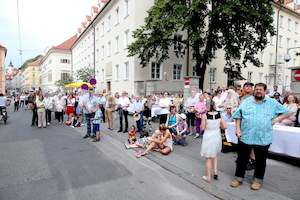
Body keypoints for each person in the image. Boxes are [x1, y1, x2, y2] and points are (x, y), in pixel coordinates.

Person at [230, 83, 290, 190]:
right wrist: (238, 129)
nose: (258, 91)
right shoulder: (247, 102)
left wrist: (275, 120)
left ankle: (257, 180)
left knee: (261, 160)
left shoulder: (272, 103)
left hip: (263, 137)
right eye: (257, 89)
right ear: (254, 90)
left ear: (265, 91)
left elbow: (286, 112)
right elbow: (238, 115)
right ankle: (238, 178)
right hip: (246, 136)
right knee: (241, 159)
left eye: (261, 90)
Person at [200, 101, 227, 183]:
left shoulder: (205, 115)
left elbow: (202, 128)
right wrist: (218, 126)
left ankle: (208, 177)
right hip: (217, 135)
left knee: (208, 157)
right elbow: (225, 126)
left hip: (208, 135)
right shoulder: (220, 115)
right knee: (214, 154)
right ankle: (215, 171)